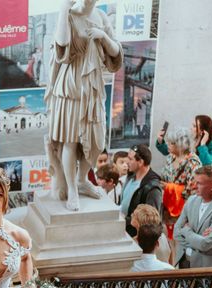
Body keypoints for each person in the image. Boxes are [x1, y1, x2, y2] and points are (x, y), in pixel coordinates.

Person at [45, 0, 123, 211]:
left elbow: (116, 52)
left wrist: (104, 37)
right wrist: (63, 9)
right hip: (71, 86)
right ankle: (72, 189)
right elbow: (61, 46)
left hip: (93, 87)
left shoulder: (101, 16)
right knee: (70, 141)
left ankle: (82, 179)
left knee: (96, 141)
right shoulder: (69, 14)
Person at [174, 166, 212, 268]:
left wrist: (186, 230)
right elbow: (176, 232)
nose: (194, 186)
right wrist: (197, 241)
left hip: (205, 266)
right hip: (183, 260)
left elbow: (205, 244)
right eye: (194, 181)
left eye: (199, 183)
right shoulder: (192, 200)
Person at [159, 128, 202, 258]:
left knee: (182, 244)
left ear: (181, 144)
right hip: (168, 207)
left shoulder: (193, 162)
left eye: (171, 143)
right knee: (169, 242)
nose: (168, 145)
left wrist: (169, 187)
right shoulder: (170, 158)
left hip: (184, 209)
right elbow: (163, 178)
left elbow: (194, 190)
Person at [121, 144, 163, 237]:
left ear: (140, 162)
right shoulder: (130, 176)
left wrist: (126, 220)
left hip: (136, 236)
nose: (127, 162)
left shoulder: (152, 188)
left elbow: (151, 221)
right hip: (124, 230)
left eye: (130, 159)